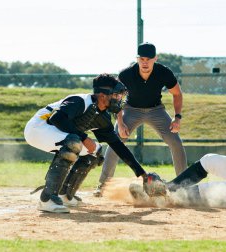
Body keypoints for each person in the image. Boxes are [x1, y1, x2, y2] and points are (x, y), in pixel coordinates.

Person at [24, 73, 159, 213]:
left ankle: (65, 194)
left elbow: (118, 146)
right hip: (37, 128)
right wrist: (83, 137)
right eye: (116, 95)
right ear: (102, 95)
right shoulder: (80, 101)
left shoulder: (103, 117)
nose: (119, 99)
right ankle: (47, 199)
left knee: (95, 152)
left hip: (57, 134)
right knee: (74, 142)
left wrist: (143, 175)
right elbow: (57, 119)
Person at [94, 42, 187, 196]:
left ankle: (184, 186)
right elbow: (117, 99)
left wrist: (177, 118)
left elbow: (177, 94)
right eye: (142, 59)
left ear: (155, 59)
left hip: (156, 110)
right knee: (115, 142)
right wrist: (121, 122)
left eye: (148, 59)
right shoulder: (126, 74)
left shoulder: (164, 72)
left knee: (176, 142)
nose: (145, 62)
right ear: (137, 59)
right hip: (131, 110)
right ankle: (102, 186)